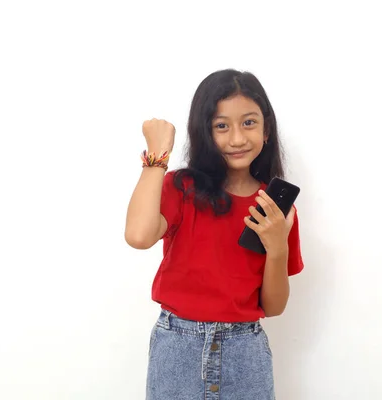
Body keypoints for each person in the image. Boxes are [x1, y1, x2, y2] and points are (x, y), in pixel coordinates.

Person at [124, 69, 304, 400]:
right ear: (205, 132)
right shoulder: (181, 188)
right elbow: (138, 235)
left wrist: (277, 247)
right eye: (222, 126)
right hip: (178, 346)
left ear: (266, 130)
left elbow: (274, 306)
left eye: (249, 122)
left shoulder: (276, 209)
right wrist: (157, 158)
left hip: (245, 352)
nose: (236, 138)